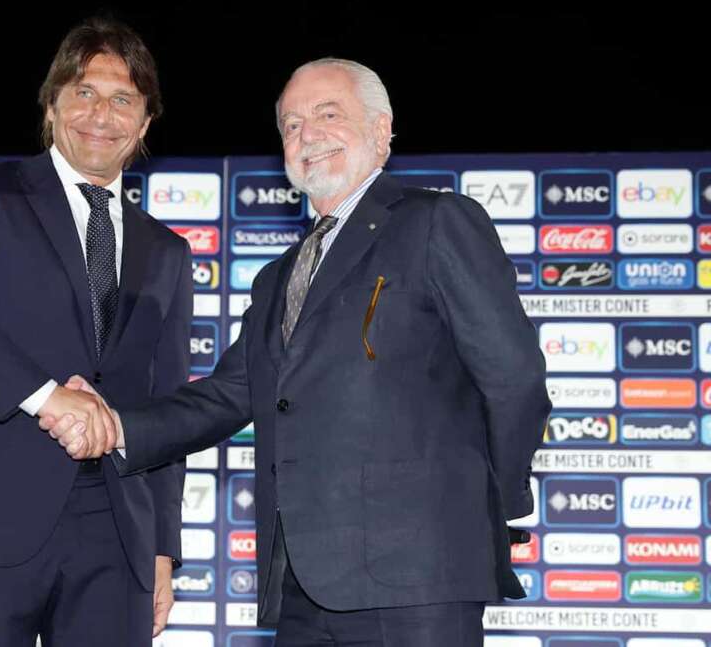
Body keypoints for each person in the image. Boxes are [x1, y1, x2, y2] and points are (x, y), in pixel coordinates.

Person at [49, 57, 550, 646]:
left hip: (418, 580)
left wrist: (499, 498)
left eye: (327, 114)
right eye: (289, 124)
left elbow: (514, 379)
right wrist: (112, 424)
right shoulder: (277, 278)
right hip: (301, 588)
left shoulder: (436, 222)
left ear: (382, 130)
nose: (306, 134)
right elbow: (225, 397)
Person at [0, 16, 192, 647]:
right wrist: (45, 394)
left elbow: (167, 404)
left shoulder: (168, 251)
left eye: (122, 100)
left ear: (143, 123)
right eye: (82, 92)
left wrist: (164, 547)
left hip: (120, 536)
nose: (99, 114)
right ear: (52, 105)